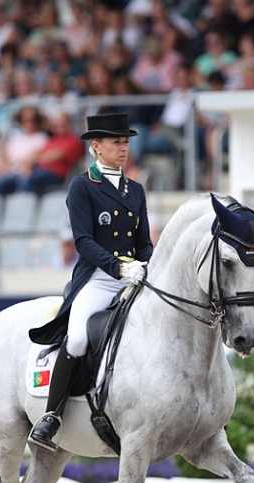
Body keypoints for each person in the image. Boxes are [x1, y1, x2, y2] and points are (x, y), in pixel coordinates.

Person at [27, 113, 154, 451]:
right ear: (96, 146)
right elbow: (83, 241)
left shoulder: (135, 190)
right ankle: (51, 416)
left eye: (126, 142)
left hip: (134, 277)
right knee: (79, 337)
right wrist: (119, 268)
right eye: (117, 142)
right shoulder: (82, 186)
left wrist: (146, 264)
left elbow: (143, 240)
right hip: (99, 279)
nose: (123, 148)